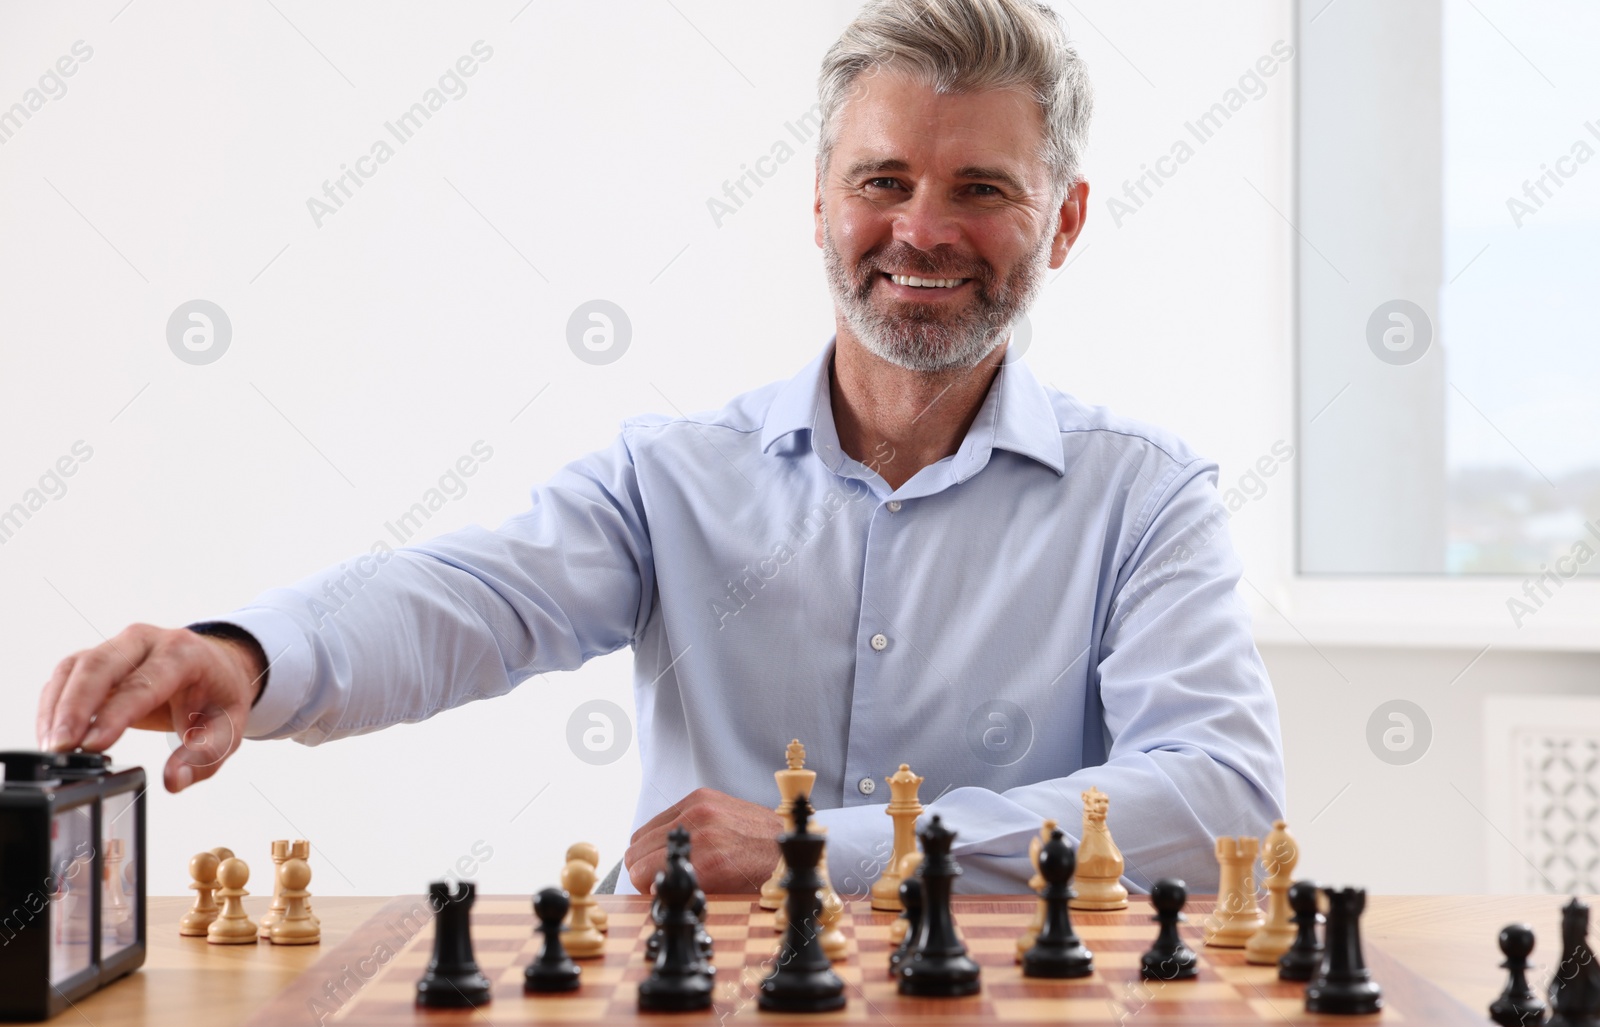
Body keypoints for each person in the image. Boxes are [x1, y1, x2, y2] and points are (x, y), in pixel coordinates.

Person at [34, 0, 1284, 897]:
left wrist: (830, 851)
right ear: (816, 200)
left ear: (1061, 220)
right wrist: (247, 653)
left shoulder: (1145, 496)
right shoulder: (673, 475)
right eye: (882, 178)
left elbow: (1219, 792)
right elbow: (473, 597)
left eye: (982, 191)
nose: (919, 230)